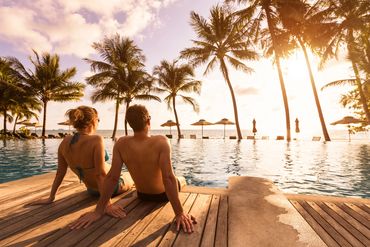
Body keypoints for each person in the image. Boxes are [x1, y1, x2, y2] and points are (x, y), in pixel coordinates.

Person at [70, 104, 196, 233]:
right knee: (180, 178)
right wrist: (179, 213)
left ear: (129, 124)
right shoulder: (161, 141)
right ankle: (183, 180)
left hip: (142, 195)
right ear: (148, 120)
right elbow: (168, 178)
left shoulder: (121, 143)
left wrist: (98, 211)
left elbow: (112, 178)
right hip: (162, 196)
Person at [30, 106, 131, 217]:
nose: (98, 123)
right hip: (110, 189)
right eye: (98, 120)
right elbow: (100, 175)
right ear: (93, 120)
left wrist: (51, 197)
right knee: (131, 175)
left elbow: (60, 172)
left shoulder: (65, 142)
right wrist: (107, 205)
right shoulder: (97, 140)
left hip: (91, 190)